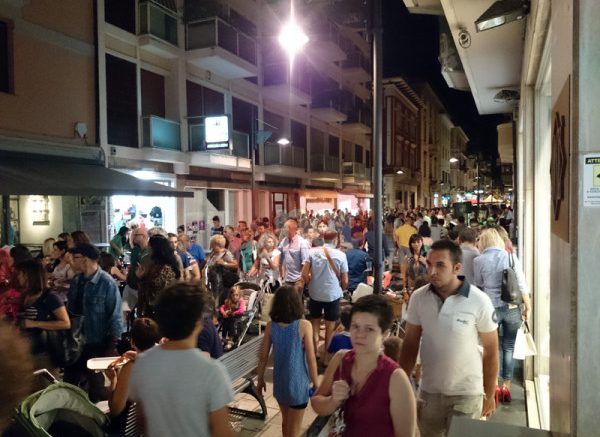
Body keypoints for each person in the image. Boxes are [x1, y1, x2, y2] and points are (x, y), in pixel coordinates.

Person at [400, 240, 499, 437]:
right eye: (429, 264)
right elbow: (410, 344)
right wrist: (400, 386)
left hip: (467, 394)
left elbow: (491, 350)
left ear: (457, 268)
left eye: (440, 265)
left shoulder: (479, 301)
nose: (432, 271)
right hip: (429, 393)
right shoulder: (419, 298)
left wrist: (489, 394)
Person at [127, 283, 233, 437]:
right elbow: (222, 432)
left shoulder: (143, 363)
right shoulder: (210, 371)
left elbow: (142, 420)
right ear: (198, 323)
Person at [311, 294, 417, 437]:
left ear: (385, 334)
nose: (359, 334)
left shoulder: (395, 378)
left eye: (369, 329)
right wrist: (332, 401)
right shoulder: (341, 359)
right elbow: (316, 402)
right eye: (355, 326)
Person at [473, 227, 531, 403]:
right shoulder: (510, 257)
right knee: (508, 347)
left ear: (483, 242)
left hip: (490, 309)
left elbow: (479, 284)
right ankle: (506, 386)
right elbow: (521, 283)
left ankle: (494, 386)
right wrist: (528, 307)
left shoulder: (478, 260)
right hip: (512, 307)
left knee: (491, 348)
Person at [257, 285, 319, 437]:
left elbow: (263, 355)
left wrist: (260, 379)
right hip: (298, 384)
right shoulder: (304, 325)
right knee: (295, 429)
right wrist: (316, 383)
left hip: (280, 383)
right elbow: (311, 358)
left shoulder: (271, 326)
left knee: (285, 423)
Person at [65, 243, 123, 402]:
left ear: (85, 259)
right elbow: (72, 310)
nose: (72, 262)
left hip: (97, 342)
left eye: (75, 258)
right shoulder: (77, 281)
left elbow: (115, 316)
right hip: (76, 341)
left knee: (97, 388)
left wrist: (112, 346)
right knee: (69, 385)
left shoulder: (107, 283)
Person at [302, 231, 348, 365]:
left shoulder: (312, 252)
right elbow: (345, 280)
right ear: (336, 240)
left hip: (315, 293)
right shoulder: (341, 255)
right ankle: (327, 358)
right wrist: (342, 288)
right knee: (330, 326)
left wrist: (311, 284)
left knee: (315, 323)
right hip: (332, 294)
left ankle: (315, 352)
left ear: (323, 239)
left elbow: (304, 274)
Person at [104, 318, 160, 421]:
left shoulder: (131, 367)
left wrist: (113, 381)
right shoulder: (162, 357)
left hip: (131, 425)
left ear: (132, 342)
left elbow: (115, 410)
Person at [136, 236, 181, 318]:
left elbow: (154, 289)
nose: (147, 248)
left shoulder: (165, 269)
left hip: (162, 312)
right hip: (159, 310)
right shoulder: (156, 264)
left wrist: (142, 278)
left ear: (155, 248)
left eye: (149, 246)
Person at [205, 234, 239, 306]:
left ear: (218, 244)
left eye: (213, 244)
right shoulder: (213, 253)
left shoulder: (226, 253)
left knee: (219, 300)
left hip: (221, 282)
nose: (211, 246)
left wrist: (224, 263)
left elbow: (235, 264)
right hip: (212, 281)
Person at [122, 227, 148, 319]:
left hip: (142, 287)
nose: (133, 236)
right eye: (133, 234)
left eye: (136, 235)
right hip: (131, 284)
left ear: (144, 236)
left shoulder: (149, 251)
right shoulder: (135, 250)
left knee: (142, 313)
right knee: (124, 310)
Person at [278, 219, 310, 292]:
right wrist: (281, 272)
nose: (283, 230)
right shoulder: (284, 241)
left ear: (291, 229)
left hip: (297, 280)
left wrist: (301, 280)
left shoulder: (302, 242)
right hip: (286, 279)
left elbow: (305, 263)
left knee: (296, 299)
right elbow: (279, 256)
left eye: (285, 227)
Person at [219, 285, 246, 350]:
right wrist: (223, 312)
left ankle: (230, 340)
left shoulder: (241, 301)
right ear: (231, 295)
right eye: (233, 295)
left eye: (237, 295)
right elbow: (222, 307)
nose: (235, 297)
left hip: (236, 318)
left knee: (231, 322)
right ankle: (223, 338)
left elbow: (241, 310)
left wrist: (233, 312)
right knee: (224, 321)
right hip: (229, 317)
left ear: (239, 295)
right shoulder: (229, 300)